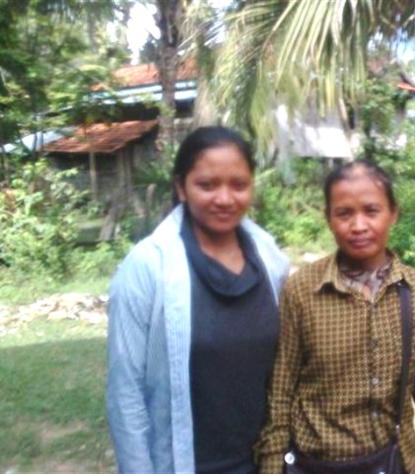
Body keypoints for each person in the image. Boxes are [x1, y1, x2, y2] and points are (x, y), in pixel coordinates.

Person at [254, 160, 415, 474]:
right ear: (328, 218)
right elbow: (280, 390)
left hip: (393, 462)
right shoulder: (302, 291)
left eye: (371, 211)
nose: (359, 225)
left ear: (393, 213)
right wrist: (271, 466)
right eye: (344, 213)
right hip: (317, 464)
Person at [107, 126, 290, 474]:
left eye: (238, 185)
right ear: (181, 187)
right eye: (207, 185)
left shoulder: (271, 260)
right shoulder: (147, 267)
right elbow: (125, 392)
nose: (224, 198)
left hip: (265, 462)